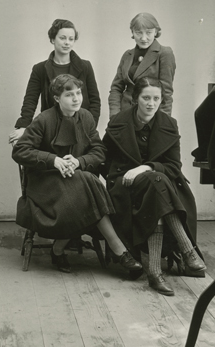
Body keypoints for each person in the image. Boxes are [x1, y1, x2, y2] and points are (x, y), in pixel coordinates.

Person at [12, 74, 143, 278]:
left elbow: (99, 150)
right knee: (88, 182)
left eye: (78, 93)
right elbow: (20, 151)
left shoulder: (86, 117)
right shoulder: (44, 119)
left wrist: (79, 162)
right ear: (57, 98)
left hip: (76, 182)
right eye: (69, 94)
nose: (76, 99)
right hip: (45, 187)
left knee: (85, 182)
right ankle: (119, 250)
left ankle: (60, 250)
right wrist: (53, 160)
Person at [104, 76, 207, 296]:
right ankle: (187, 250)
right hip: (125, 184)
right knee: (157, 184)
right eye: (146, 98)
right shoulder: (118, 122)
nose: (151, 103)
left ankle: (154, 272)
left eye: (156, 98)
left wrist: (145, 168)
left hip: (157, 184)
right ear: (135, 99)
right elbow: (105, 160)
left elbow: (173, 167)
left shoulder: (169, 124)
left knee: (155, 184)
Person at [9, 18, 101, 146]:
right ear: (52, 39)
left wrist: (89, 126)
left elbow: (95, 100)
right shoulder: (40, 69)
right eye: (62, 38)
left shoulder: (85, 66)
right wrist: (24, 126)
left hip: (80, 128)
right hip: (51, 130)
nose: (67, 43)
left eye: (71, 39)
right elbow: (30, 100)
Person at [109, 12, 175, 120]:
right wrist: (115, 116)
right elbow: (116, 88)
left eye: (148, 32)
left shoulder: (164, 53)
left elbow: (166, 93)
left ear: (156, 32)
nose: (143, 38)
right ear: (133, 33)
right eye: (138, 32)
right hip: (125, 115)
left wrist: (163, 123)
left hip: (150, 116)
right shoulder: (127, 55)